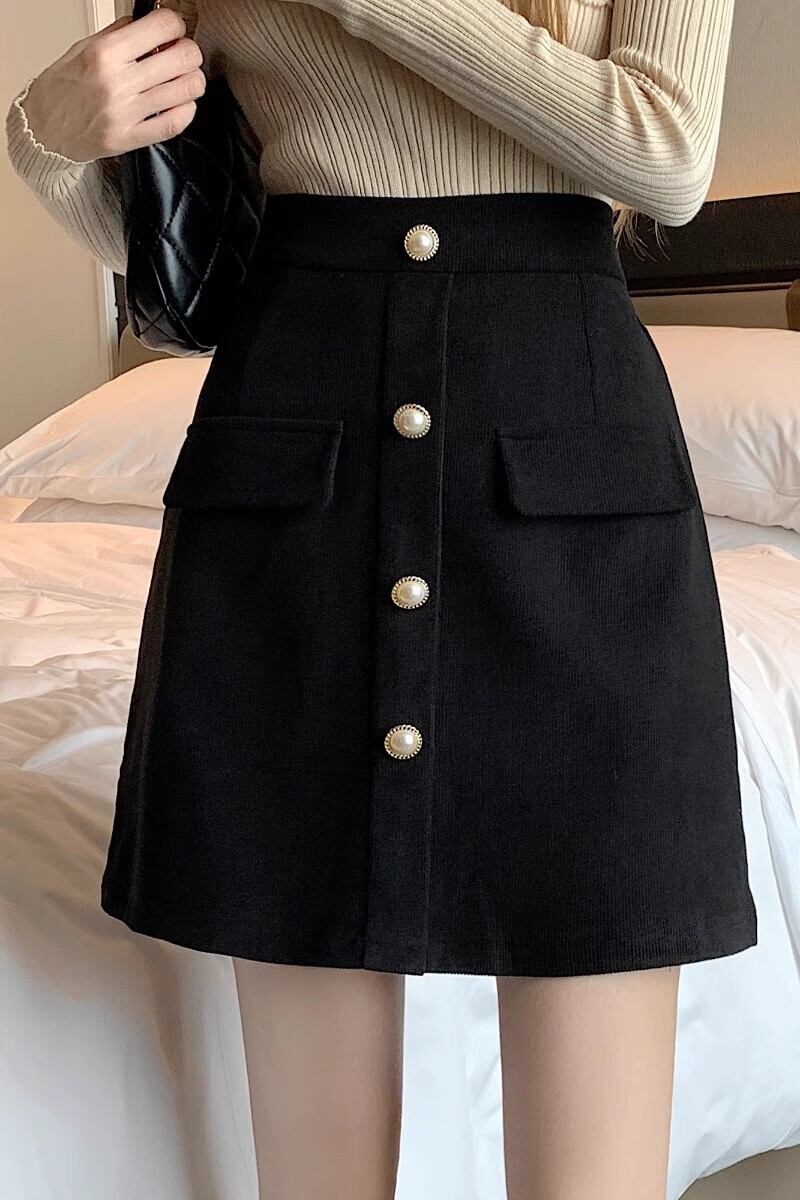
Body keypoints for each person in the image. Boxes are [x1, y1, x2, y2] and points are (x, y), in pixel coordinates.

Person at [6, 2, 756, 1198]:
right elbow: (193, 267)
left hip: (570, 494)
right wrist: (46, 140)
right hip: (291, 476)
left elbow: (662, 157)